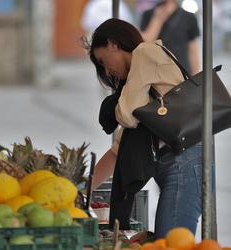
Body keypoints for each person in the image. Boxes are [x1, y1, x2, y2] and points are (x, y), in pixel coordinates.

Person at [84, 18, 202, 238]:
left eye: (102, 61)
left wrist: (117, 103)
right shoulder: (143, 82)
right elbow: (116, 151)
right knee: (165, 240)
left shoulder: (145, 53)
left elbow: (127, 116)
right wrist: (82, 190)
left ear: (113, 44)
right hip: (180, 165)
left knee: (171, 243)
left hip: (184, 165)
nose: (107, 71)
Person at [140, 0, 200, 75]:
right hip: (156, 73)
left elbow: (193, 51)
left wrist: (195, 77)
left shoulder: (189, 17)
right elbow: (146, 42)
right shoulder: (148, 15)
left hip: (182, 73)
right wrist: (158, 18)